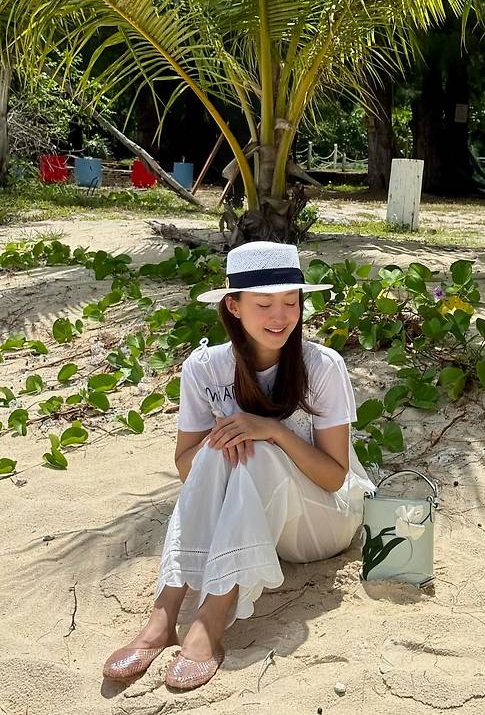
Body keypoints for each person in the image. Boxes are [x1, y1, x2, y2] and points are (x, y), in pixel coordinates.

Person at [103, 241, 375, 691]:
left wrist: (273, 431)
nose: (280, 316)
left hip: (323, 523)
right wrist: (225, 438)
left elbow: (334, 477)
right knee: (220, 446)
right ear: (233, 305)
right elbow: (187, 469)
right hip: (256, 522)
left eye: (291, 302)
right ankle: (163, 616)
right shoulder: (204, 368)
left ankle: (210, 619)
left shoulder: (322, 366)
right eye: (264, 304)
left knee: (258, 448)